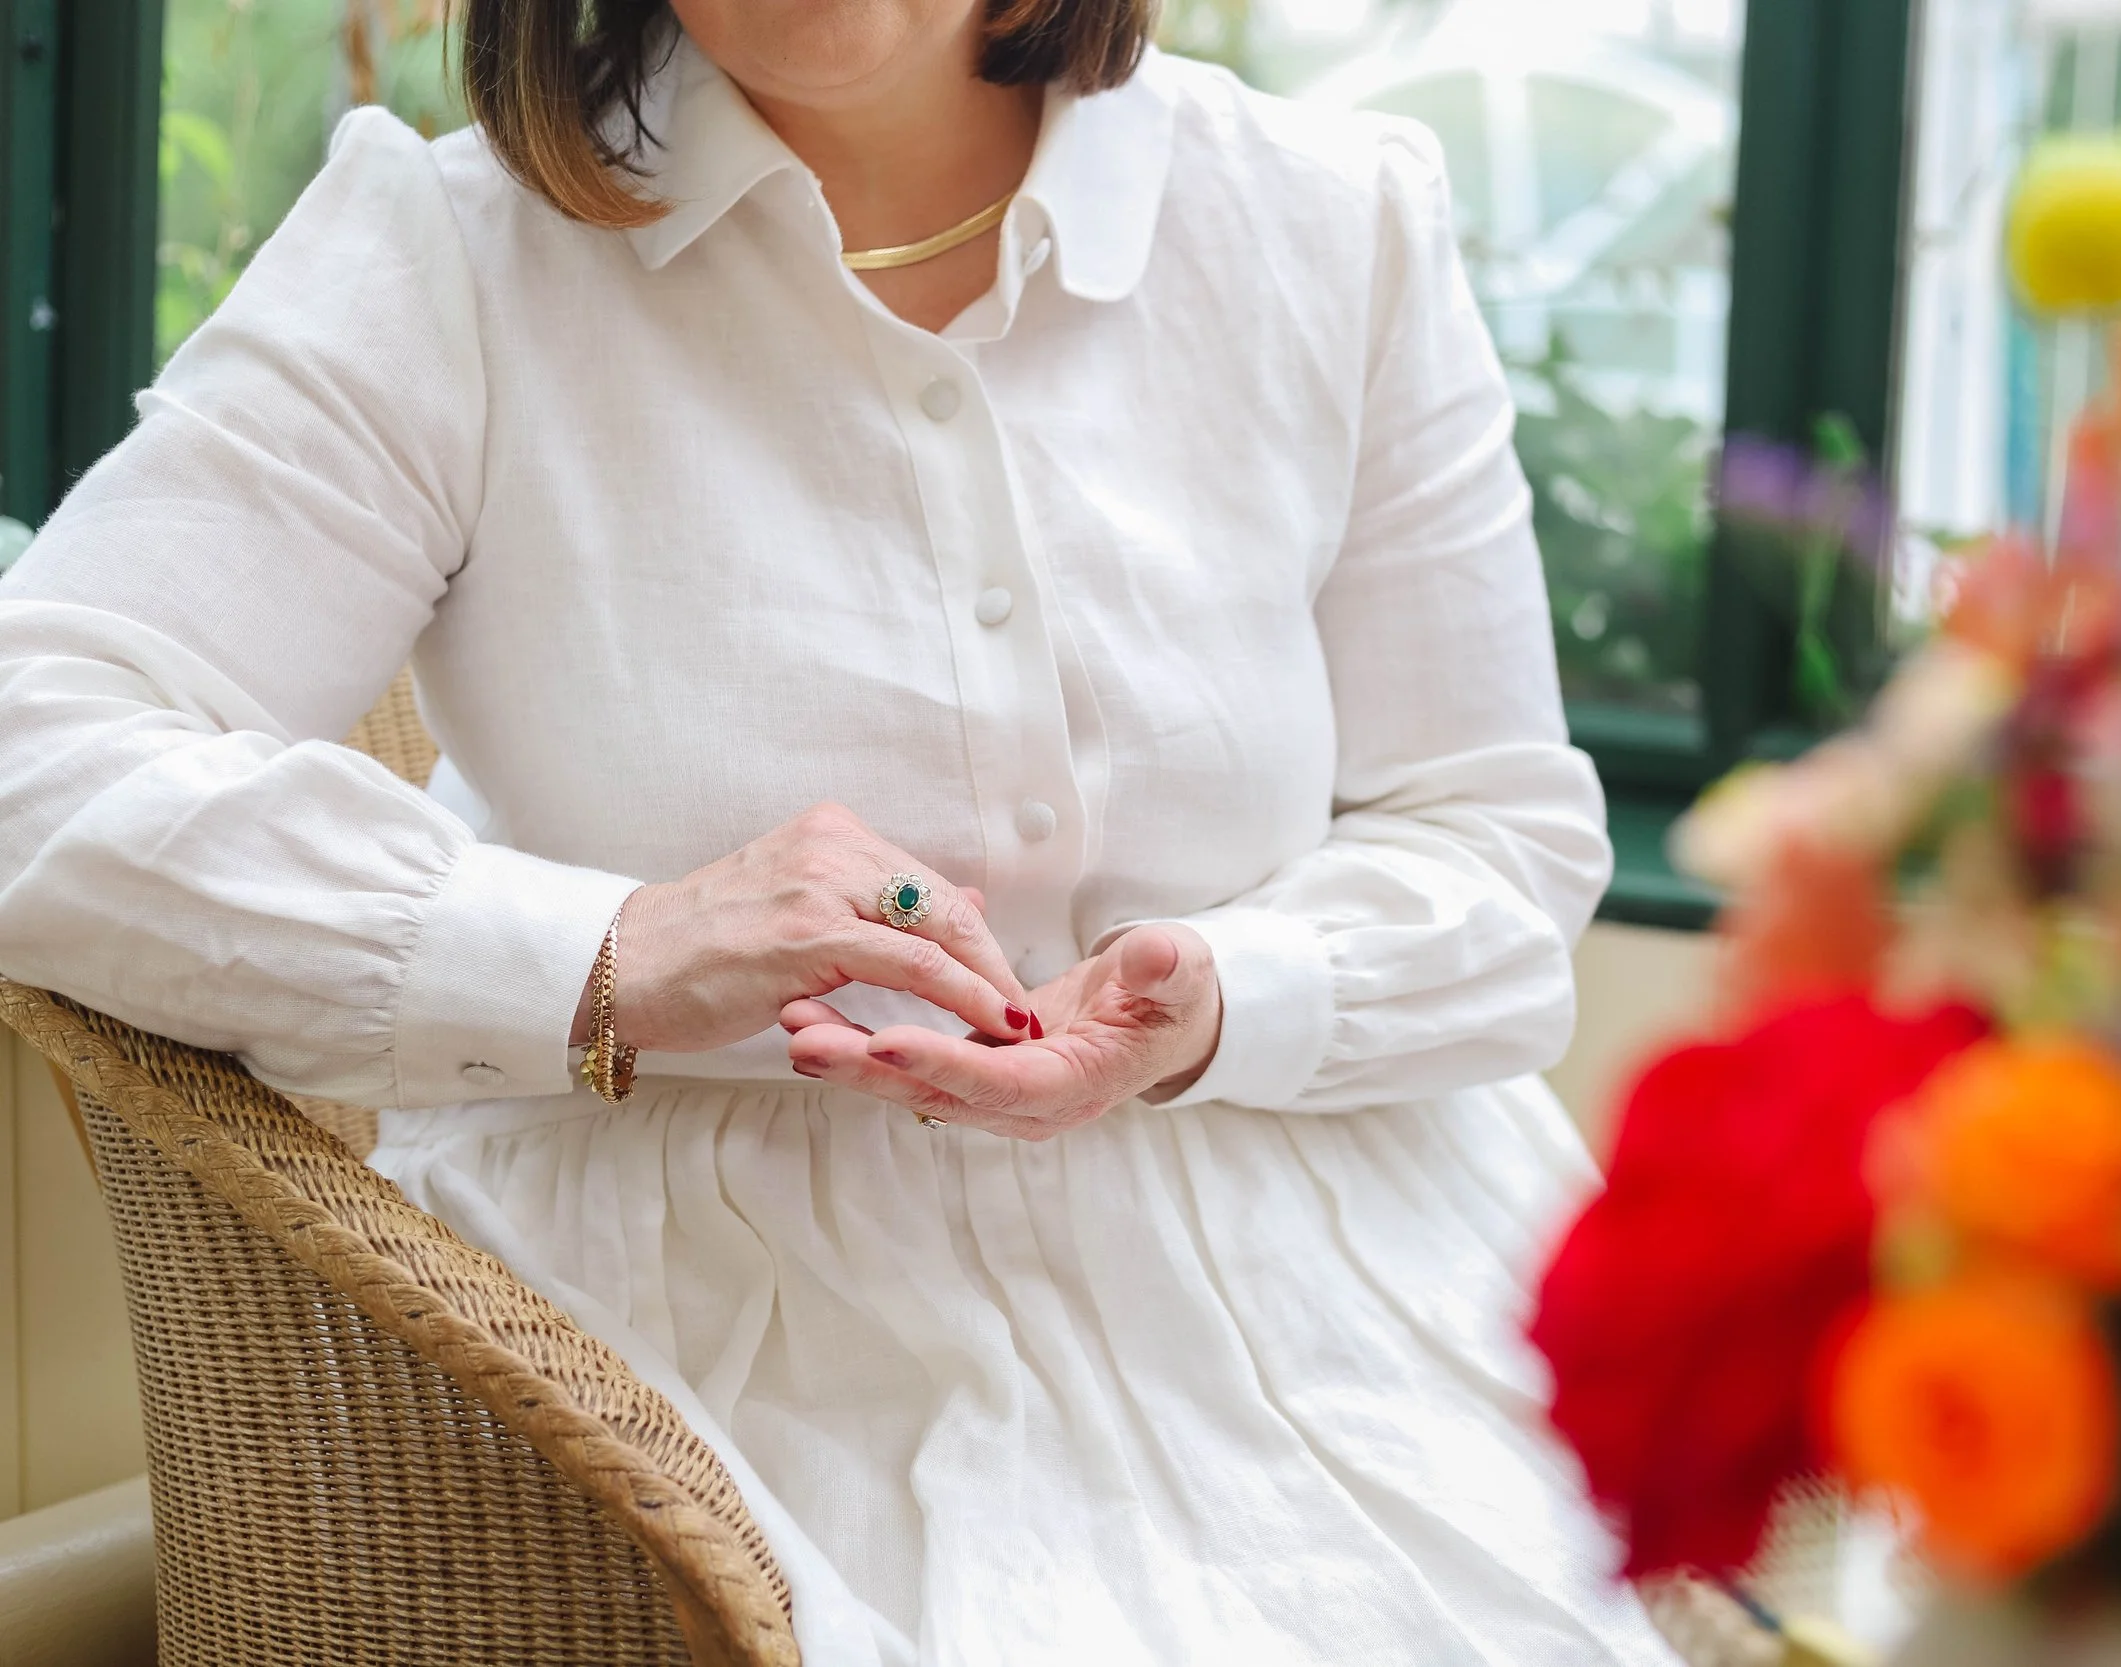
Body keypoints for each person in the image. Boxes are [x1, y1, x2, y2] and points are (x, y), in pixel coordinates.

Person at [0, 0, 1670, 1660]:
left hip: (1340, 1284)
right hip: (702, 1352)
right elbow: (32, 748)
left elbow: (1497, 844)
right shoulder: (450, 258)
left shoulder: (1336, 218)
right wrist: (605, 952)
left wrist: (1220, 998)